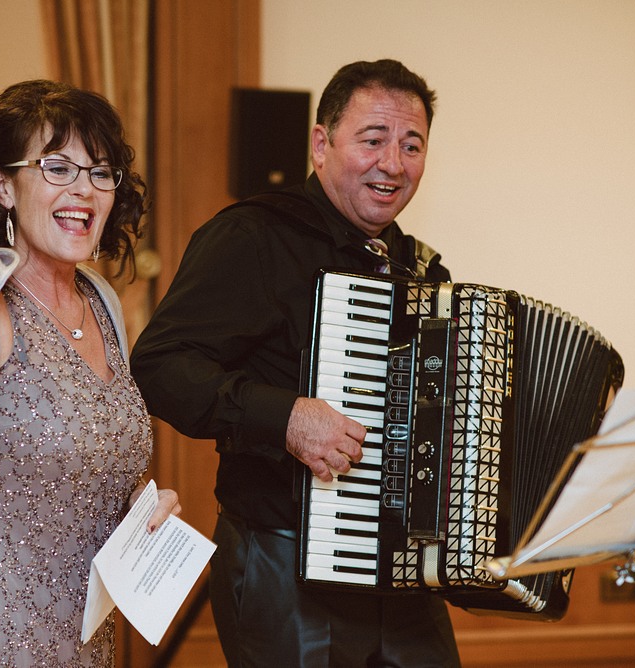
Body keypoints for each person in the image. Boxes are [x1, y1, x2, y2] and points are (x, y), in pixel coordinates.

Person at [130, 60, 460, 666]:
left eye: (411, 145)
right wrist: (284, 417)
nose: (393, 162)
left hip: (402, 575)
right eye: (373, 139)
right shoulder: (254, 236)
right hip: (282, 560)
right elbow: (161, 365)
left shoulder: (420, 270)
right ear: (320, 143)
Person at [0, 6, 180, 666]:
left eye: (100, 171)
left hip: (85, 633)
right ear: (3, 185)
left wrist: (142, 510)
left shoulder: (103, 302)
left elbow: (84, 456)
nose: (85, 190)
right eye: (56, 167)